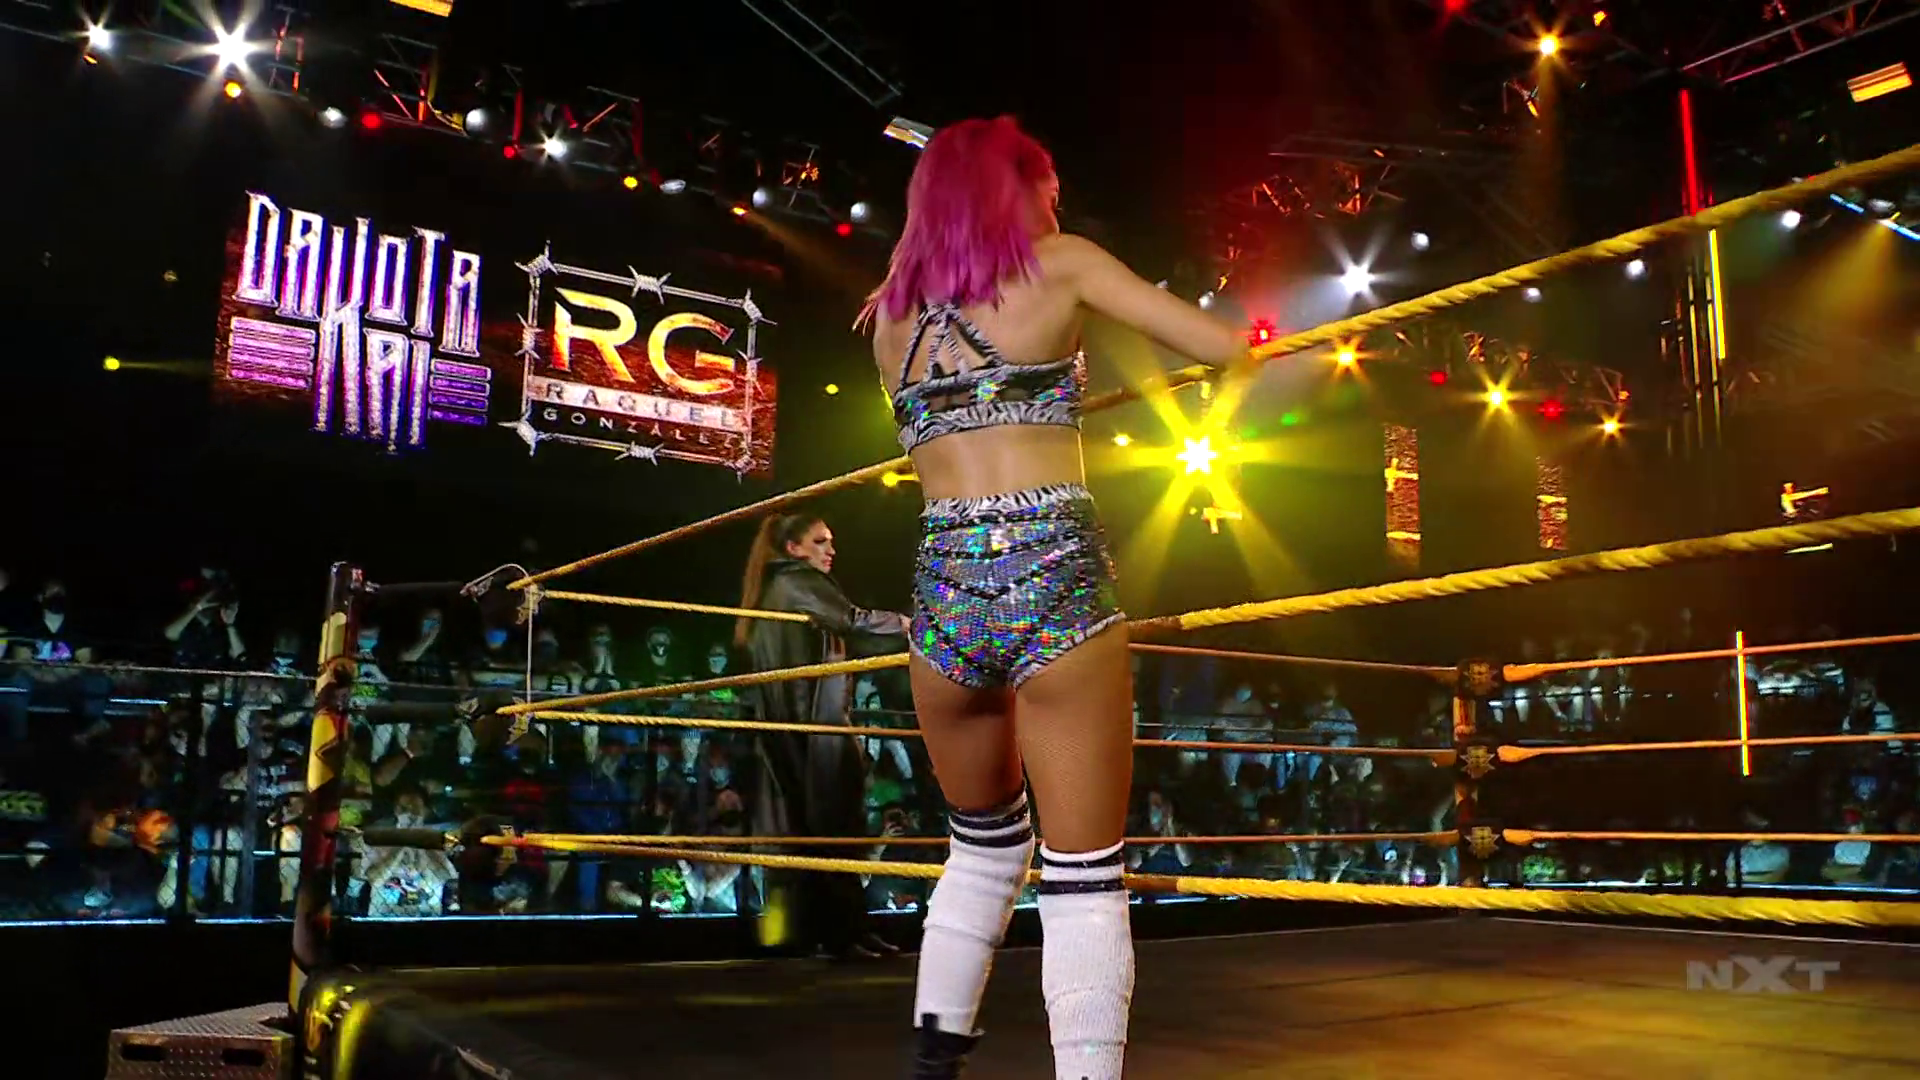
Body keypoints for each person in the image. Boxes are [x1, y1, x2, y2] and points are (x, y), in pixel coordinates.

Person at [859, 116, 1244, 1078]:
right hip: (1053, 578)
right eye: (1048, 189)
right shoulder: (1059, 264)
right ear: (1018, 189)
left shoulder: (890, 318)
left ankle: (932, 1064)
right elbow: (1225, 345)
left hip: (944, 595)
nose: (1057, 206)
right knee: (1083, 877)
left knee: (982, 849)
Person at [737, 512, 908, 960]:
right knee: (832, 824)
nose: (831, 549)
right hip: (812, 723)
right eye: (819, 541)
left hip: (801, 723)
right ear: (793, 548)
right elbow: (851, 620)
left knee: (824, 827)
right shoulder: (796, 582)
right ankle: (841, 934)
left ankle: (843, 930)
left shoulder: (782, 586)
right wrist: (914, 625)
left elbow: (853, 634)